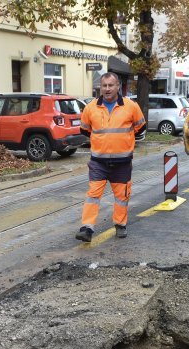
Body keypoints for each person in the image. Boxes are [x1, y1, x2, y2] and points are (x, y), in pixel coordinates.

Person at [75, 72, 146, 242]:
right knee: (93, 195)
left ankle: (120, 225)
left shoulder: (131, 106)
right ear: (100, 87)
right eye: (104, 85)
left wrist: (123, 142)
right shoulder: (90, 108)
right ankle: (87, 228)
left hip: (122, 163)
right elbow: (85, 130)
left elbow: (140, 128)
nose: (107, 89)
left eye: (110, 85)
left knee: (121, 197)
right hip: (98, 162)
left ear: (118, 87)